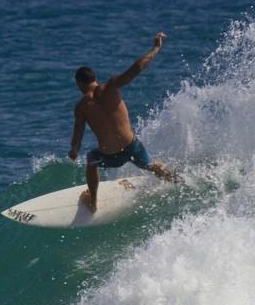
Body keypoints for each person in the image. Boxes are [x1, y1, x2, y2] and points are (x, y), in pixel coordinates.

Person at [69, 32, 179, 212]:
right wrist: (156, 48)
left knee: (91, 161)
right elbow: (137, 67)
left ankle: (93, 202)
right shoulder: (111, 87)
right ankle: (179, 182)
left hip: (110, 155)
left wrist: (74, 150)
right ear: (94, 79)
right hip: (132, 147)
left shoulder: (82, 107)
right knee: (150, 165)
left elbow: (78, 133)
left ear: (79, 83)